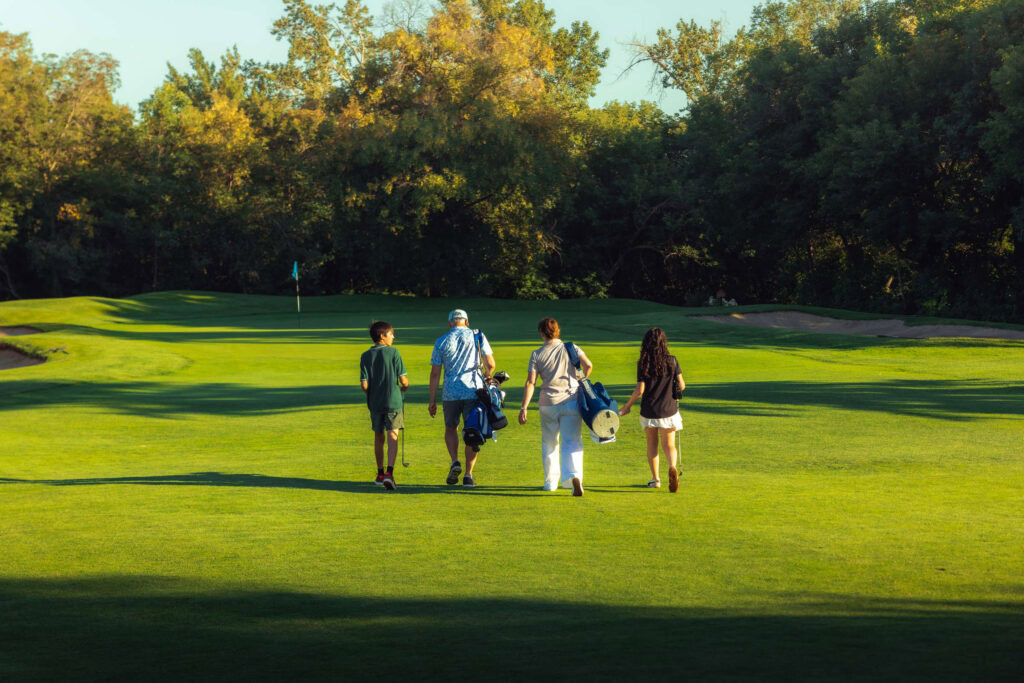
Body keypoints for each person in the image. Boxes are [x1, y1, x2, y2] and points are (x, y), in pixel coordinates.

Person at [518, 317, 592, 497]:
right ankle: (573, 477)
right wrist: (579, 380)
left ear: (542, 333)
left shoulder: (537, 354)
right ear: (557, 330)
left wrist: (524, 407)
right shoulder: (572, 347)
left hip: (548, 403)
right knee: (572, 441)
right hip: (571, 400)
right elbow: (588, 365)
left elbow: (531, 382)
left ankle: (550, 482)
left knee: (550, 443)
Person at [428, 309, 495, 487]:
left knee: (451, 428)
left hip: (450, 393)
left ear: (450, 323)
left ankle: (454, 461)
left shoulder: (441, 341)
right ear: (466, 322)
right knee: (472, 432)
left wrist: (432, 400)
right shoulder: (477, 336)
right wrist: (488, 375)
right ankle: (468, 475)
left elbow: (435, 373)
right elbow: (490, 364)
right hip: (473, 390)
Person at [618, 327, 686, 492]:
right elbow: (682, 385)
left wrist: (626, 407)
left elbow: (639, 391)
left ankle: (655, 479)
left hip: (649, 410)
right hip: (669, 410)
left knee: (652, 444)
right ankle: (672, 467)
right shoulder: (672, 360)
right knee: (669, 444)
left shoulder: (643, 363)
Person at [360, 321, 409, 491]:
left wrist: (373, 394)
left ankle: (380, 474)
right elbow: (403, 380)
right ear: (382, 336)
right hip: (393, 402)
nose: (393, 337)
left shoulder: (365, 356)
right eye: (391, 334)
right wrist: (404, 386)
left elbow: (364, 385)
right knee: (392, 435)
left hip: (375, 403)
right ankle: (390, 473)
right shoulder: (394, 352)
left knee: (378, 437)